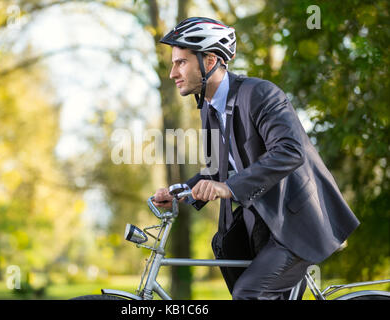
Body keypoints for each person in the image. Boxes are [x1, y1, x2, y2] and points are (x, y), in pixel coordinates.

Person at [152, 17, 360, 300]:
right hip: (261, 225)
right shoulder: (210, 109)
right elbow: (216, 171)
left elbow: (289, 150)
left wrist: (230, 187)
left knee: (248, 293)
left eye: (181, 63)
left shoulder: (259, 94)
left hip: (297, 223)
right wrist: (180, 192)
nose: (172, 73)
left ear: (210, 61)